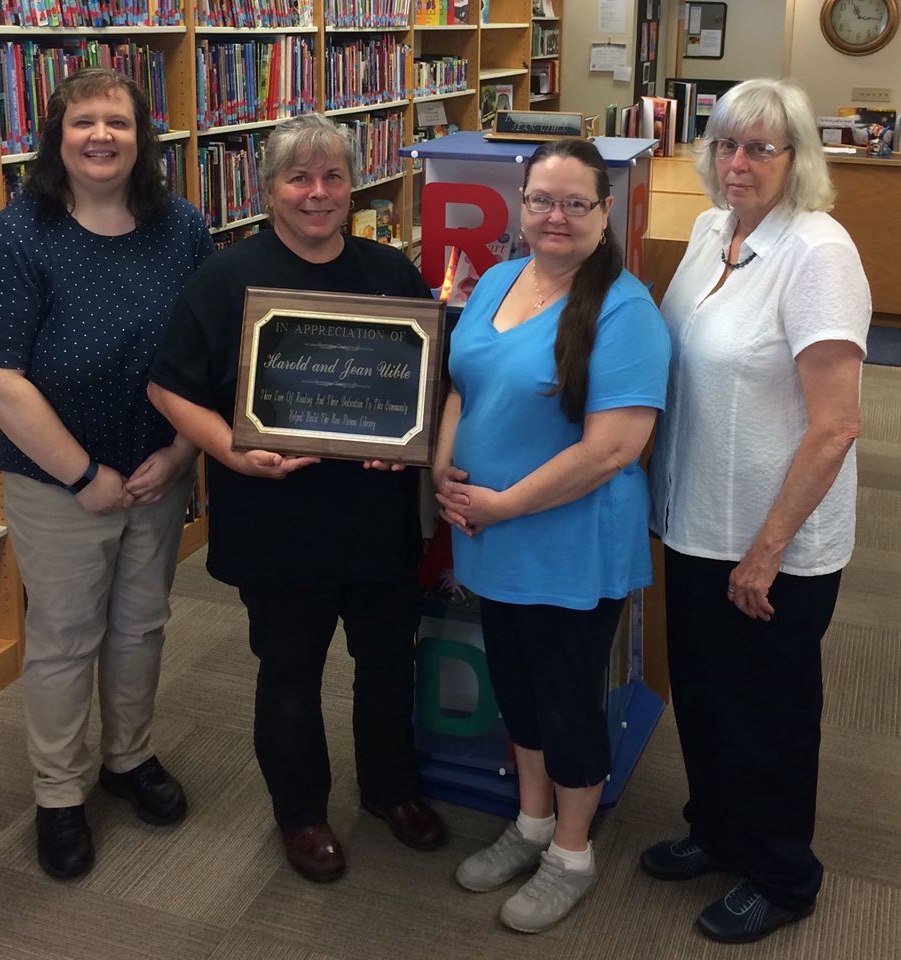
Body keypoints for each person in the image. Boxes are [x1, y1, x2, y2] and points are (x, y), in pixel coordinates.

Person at [147, 113, 446, 884]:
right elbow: (169, 386)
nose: (318, 194)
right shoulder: (225, 277)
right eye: (299, 178)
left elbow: (430, 383)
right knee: (289, 672)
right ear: (269, 188)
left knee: (387, 661)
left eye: (334, 177)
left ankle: (390, 791)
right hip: (275, 520)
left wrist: (407, 441)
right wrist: (232, 451)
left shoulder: (391, 273)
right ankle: (302, 814)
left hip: (377, 519)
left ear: (353, 186)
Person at [0, 68, 214, 880]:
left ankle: (128, 758)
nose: (101, 136)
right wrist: (84, 476)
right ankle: (59, 793)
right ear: (56, 138)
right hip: (58, 479)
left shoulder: (184, 228)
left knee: (141, 623)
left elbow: (208, 354)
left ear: (144, 136)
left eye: (118, 122)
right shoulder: (19, 232)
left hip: (158, 465)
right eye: (82, 123)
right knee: (67, 637)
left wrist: (180, 452)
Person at [642, 78, 871, 944]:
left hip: (775, 538)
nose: (738, 163)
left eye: (761, 149)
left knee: (769, 708)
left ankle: (782, 874)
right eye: (727, 144)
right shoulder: (710, 231)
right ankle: (717, 830)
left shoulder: (819, 253)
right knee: (702, 691)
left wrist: (766, 550)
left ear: (796, 160)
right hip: (697, 519)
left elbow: (837, 424)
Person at [433, 138, 671, 933]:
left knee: (568, 704)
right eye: (541, 200)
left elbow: (612, 449)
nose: (555, 217)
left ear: (607, 211)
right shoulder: (499, 278)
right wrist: (443, 469)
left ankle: (572, 851)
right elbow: (465, 385)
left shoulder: (626, 310)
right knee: (520, 693)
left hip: (567, 544)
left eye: (576, 203)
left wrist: (501, 506)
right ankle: (530, 823)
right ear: (521, 203)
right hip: (491, 536)